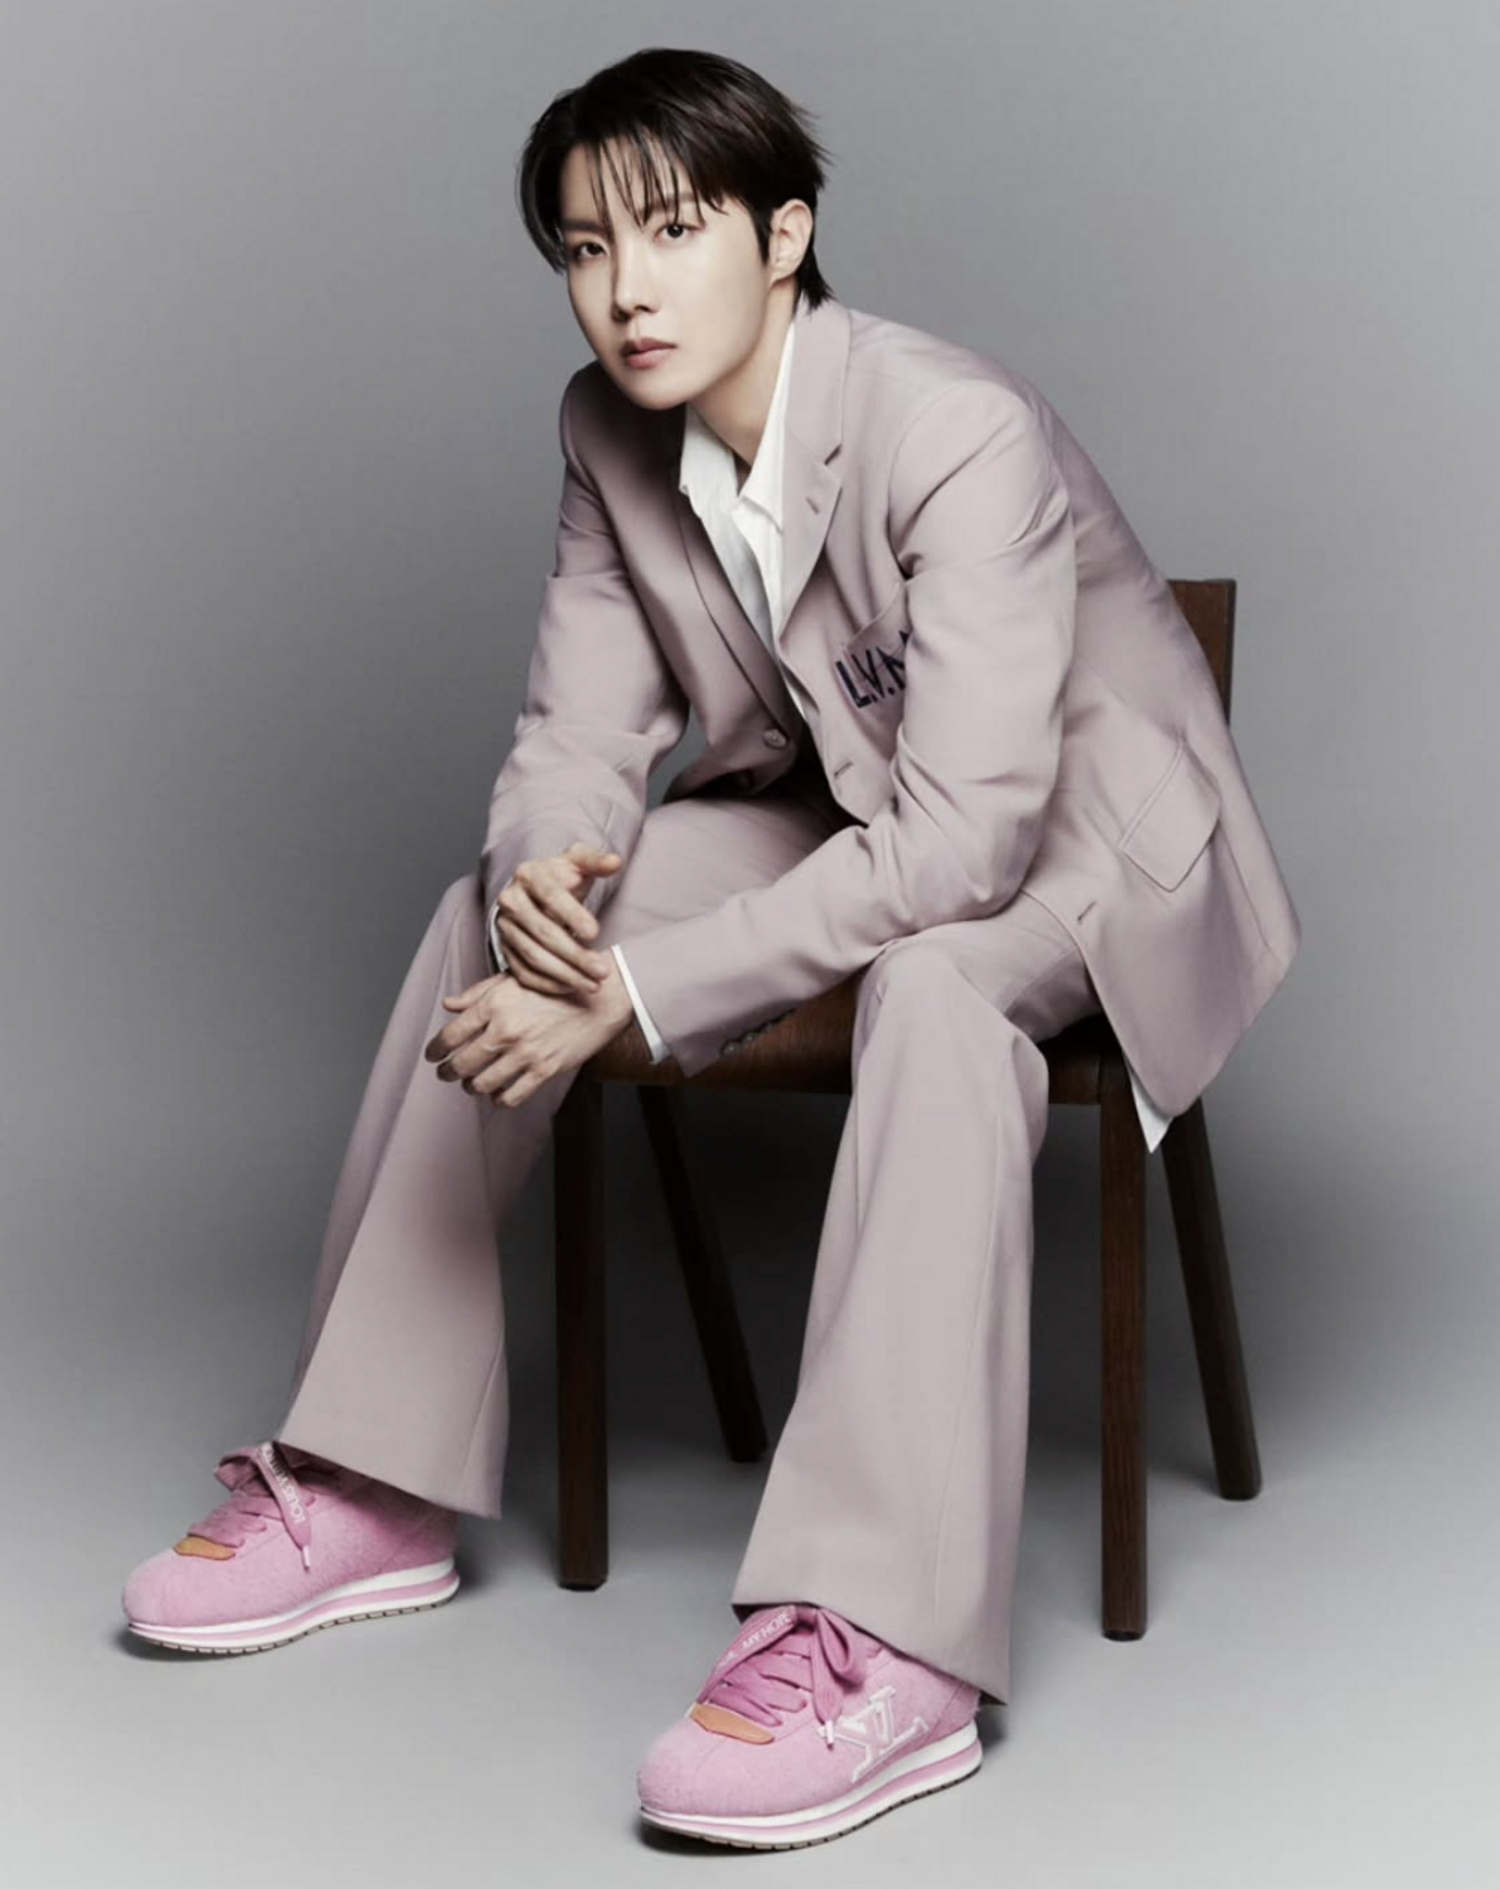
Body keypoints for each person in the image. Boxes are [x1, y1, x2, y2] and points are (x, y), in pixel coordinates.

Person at [120, 46, 1300, 1850]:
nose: (627, 289)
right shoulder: (609, 430)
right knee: (482, 923)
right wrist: (548, 886)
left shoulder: (955, 425)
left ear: (784, 236)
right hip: (836, 802)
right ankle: (368, 1478)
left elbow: (970, 843)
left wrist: (641, 993)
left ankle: (888, 1638)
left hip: (1083, 837)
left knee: (936, 984)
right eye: (587, 249)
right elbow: (582, 729)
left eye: (672, 231)